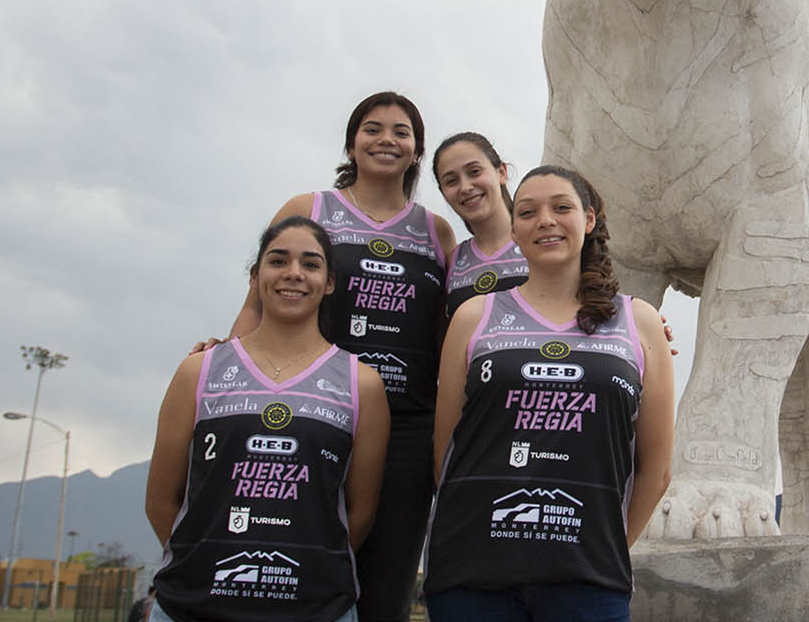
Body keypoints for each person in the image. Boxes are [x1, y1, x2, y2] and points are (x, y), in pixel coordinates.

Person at [231, 91, 455, 622]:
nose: (386, 140)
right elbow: (253, 305)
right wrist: (226, 365)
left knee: (386, 580)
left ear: (417, 150)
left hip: (406, 428)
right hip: (316, 416)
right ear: (351, 142)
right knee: (295, 561)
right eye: (372, 128)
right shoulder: (307, 210)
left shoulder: (436, 232)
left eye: (401, 132)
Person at [424, 165, 675, 622]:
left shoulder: (639, 322)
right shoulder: (474, 317)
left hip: (589, 581)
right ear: (514, 229)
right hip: (470, 577)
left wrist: (604, 547)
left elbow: (656, 471)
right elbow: (447, 453)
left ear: (590, 219)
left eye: (562, 207)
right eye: (527, 212)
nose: (545, 220)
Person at [148, 217, 390, 622]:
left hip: (315, 609)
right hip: (191, 606)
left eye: (311, 264)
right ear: (256, 275)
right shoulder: (199, 372)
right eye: (279, 261)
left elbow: (359, 511)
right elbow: (161, 499)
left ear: (329, 282)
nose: (294, 274)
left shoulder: (361, 383)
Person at [434, 131, 529, 319]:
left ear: (501, 172)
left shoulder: (539, 241)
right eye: (451, 181)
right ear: (443, 192)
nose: (466, 187)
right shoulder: (452, 260)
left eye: (474, 172)